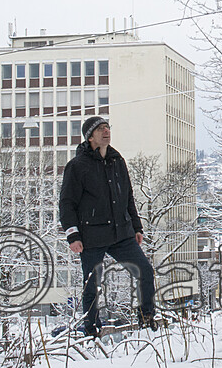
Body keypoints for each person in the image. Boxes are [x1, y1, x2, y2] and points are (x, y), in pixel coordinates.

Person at [59, 115, 158, 335]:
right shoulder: (77, 166)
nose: (106, 131)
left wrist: (137, 227)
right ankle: (92, 329)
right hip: (91, 236)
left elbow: (128, 196)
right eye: (100, 129)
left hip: (122, 233)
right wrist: (72, 235)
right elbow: (66, 203)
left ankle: (147, 318)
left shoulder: (117, 160)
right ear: (90, 136)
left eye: (107, 127)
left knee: (144, 270)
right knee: (92, 285)